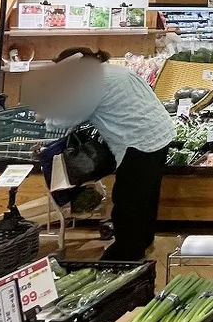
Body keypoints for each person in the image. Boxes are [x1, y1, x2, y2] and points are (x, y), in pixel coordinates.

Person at [39, 48, 175, 261]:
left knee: (128, 199)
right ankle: (143, 240)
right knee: (146, 195)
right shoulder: (114, 71)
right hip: (159, 133)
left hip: (138, 142)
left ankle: (125, 253)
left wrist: (46, 116)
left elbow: (69, 117)